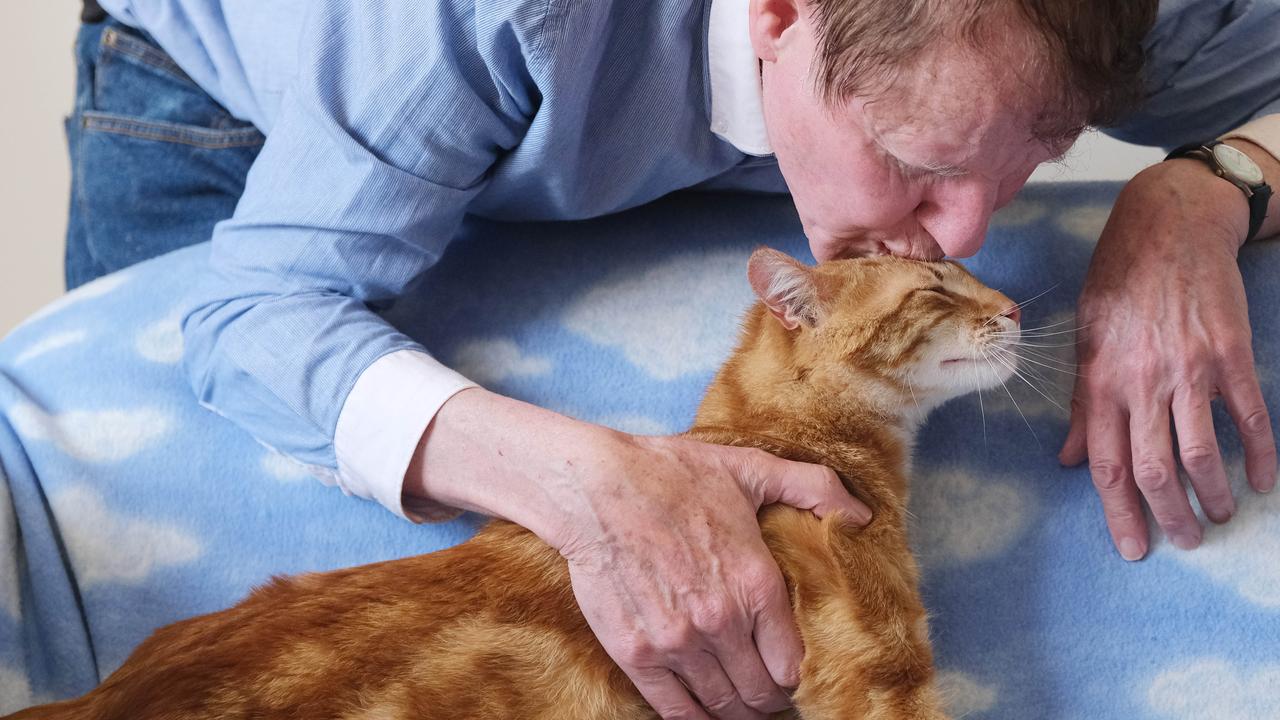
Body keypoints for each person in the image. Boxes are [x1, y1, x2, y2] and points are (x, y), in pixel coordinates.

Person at [63, 0, 1279, 718]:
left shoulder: (1066, 19)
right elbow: (253, 322)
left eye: (1027, 158)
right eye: (921, 164)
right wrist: (595, 493)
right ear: (780, 14)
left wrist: (1205, 188)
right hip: (251, 98)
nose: (970, 238)